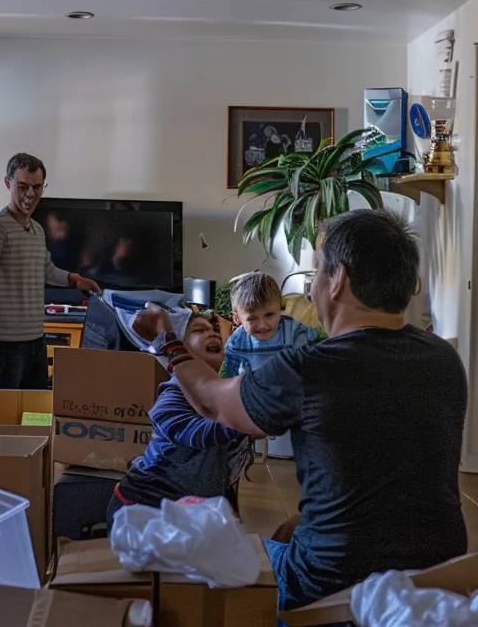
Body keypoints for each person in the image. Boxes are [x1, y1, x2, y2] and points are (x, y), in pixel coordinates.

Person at [129, 209, 466, 612]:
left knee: (195, 557)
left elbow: (211, 401)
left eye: (318, 270)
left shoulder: (312, 367)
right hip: (441, 574)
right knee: (288, 529)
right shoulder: (444, 358)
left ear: (338, 279)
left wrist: (166, 339)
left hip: (331, 581)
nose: (311, 289)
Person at [0, 152, 101, 391]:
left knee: (32, 414)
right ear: (8, 183)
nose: (30, 194)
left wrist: (74, 279)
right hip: (2, 345)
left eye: (37, 187)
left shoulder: (37, 229)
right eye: (23, 186)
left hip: (35, 342)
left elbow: (46, 270)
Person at [107, 313, 252, 520]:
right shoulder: (173, 392)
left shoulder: (222, 393)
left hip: (187, 510)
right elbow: (192, 432)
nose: (213, 334)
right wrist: (247, 422)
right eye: (200, 330)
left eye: (214, 330)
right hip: (143, 508)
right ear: (179, 348)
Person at [219, 271, 319, 378]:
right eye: (252, 318)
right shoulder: (236, 343)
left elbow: (310, 366)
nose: (262, 325)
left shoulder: (295, 331)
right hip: (253, 391)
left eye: (269, 315)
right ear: (237, 318)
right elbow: (231, 380)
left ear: (281, 308)